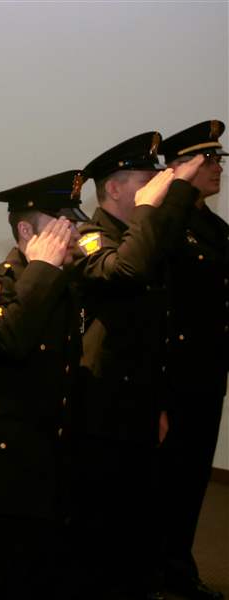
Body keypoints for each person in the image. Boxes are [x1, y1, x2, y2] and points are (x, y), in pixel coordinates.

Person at [70, 132, 203, 599]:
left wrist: (160, 403)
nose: (156, 186)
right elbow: (126, 271)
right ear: (116, 189)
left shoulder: (141, 235)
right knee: (100, 532)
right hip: (100, 409)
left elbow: (157, 328)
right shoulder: (88, 235)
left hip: (141, 405)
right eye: (146, 180)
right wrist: (152, 208)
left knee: (138, 528)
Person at [0, 170, 86, 600]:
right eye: (63, 225)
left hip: (56, 456)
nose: (75, 233)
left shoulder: (66, 286)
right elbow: (11, 341)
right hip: (9, 467)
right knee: (5, 574)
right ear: (26, 230)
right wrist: (39, 268)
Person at [157, 120, 228, 600]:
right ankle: (159, 576)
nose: (218, 168)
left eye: (220, 159)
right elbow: (155, 311)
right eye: (209, 159)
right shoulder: (164, 224)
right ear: (184, 167)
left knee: (192, 483)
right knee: (163, 487)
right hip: (172, 380)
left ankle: (178, 572)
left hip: (206, 376)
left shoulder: (214, 228)